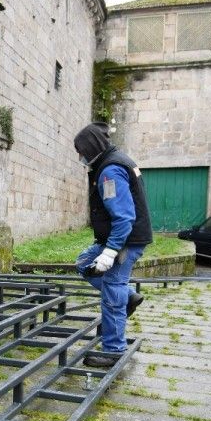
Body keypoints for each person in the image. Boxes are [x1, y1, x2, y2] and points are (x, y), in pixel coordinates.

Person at [72, 122, 152, 368]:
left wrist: (110, 251)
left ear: (91, 147)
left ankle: (114, 350)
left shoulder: (110, 171)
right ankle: (128, 297)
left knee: (112, 291)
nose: (80, 156)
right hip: (119, 238)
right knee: (85, 263)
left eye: (81, 150)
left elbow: (124, 218)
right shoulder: (114, 161)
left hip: (124, 240)